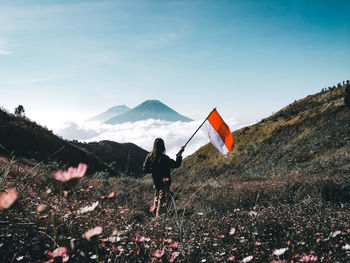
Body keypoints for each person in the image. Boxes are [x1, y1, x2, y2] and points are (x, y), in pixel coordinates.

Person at [143, 138, 185, 217]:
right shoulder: (165, 158)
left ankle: (154, 217)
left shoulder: (150, 156)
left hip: (156, 182)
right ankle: (159, 220)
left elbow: (145, 169)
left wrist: (154, 168)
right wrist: (179, 154)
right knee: (162, 202)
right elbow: (176, 164)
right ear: (163, 147)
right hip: (165, 182)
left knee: (156, 199)